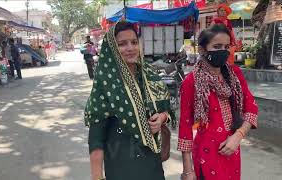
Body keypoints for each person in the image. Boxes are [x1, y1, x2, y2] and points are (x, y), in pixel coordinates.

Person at [85, 21, 171, 180]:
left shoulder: (148, 74)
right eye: (122, 44)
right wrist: (97, 176)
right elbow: (96, 138)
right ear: (112, 48)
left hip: (152, 162)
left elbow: (166, 109)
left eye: (134, 42)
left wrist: (162, 118)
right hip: (121, 164)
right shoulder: (105, 83)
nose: (130, 48)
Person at [178, 24, 258, 180]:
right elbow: (185, 125)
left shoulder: (235, 74)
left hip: (232, 150)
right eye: (217, 46)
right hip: (206, 153)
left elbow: (252, 109)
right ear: (202, 50)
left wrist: (238, 136)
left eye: (226, 46)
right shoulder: (191, 82)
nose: (223, 50)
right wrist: (188, 170)